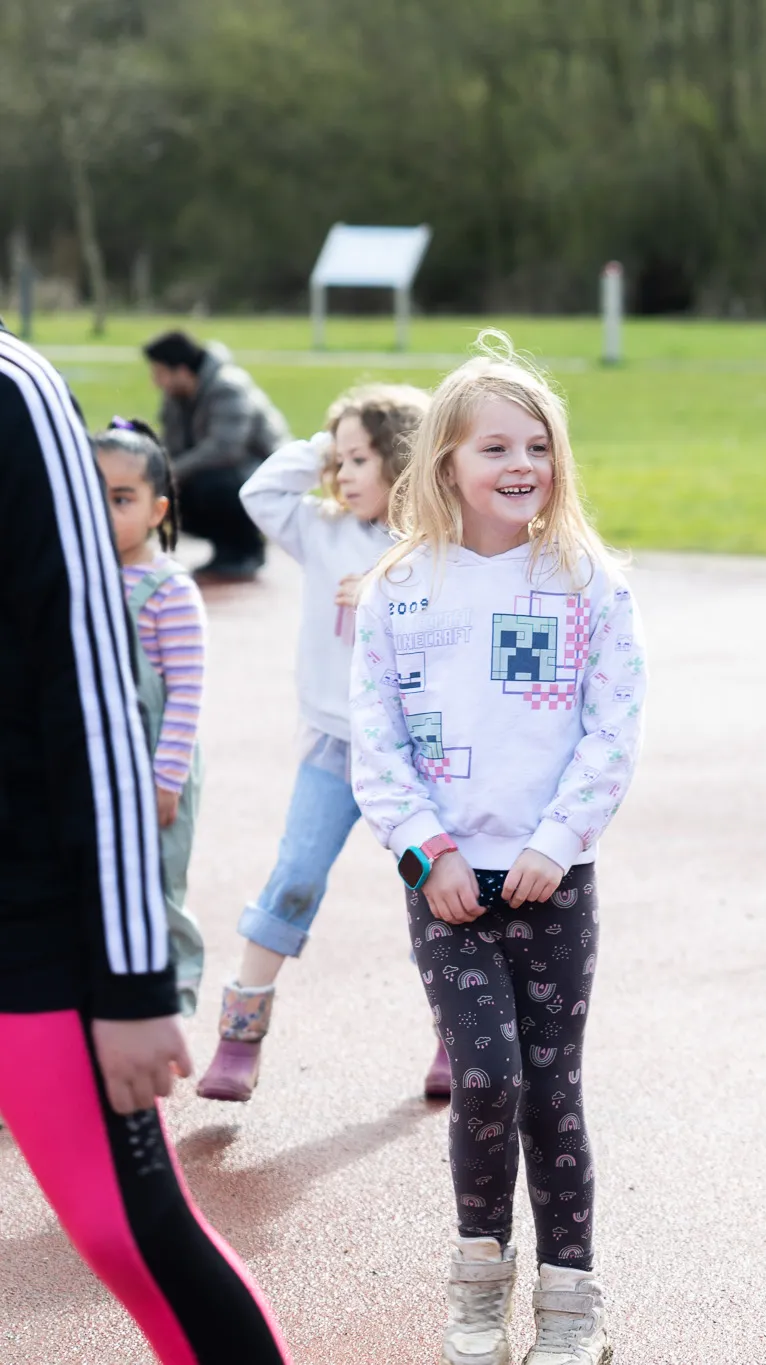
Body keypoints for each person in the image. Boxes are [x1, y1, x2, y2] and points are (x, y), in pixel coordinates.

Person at [351, 333, 645, 1365]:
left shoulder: (589, 584)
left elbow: (612, 735)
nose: (522, 466)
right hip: (446, 887)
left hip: (553, 885)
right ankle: (478, 1287)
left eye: (539, 446)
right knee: (484, 1078)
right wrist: (424, 853)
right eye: (494, 449)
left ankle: (570, 1307)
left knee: (550, 1091)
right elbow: (376, 746)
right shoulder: (399, 591)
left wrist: (557, 844)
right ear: (445, 464)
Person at [0, 322, 291, 1362]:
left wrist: (131, 986)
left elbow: (92, 706)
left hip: (29, 930)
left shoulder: (13, 394)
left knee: (128, 1234)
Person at [195, 384, 450, 1103]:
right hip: (335, 748)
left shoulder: (441, 547)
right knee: (295, 876)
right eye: (339, 461)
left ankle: (457, 1036)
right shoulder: (322, 527)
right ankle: (239, 1041)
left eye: (361, 459)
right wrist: (327, 441)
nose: (343, 475)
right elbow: (259, 491)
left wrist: (388, 591)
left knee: (439, 893)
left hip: (419, 757)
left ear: (404, 459)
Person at [92, 418, 208, 1018]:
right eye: (92, 493)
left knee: (159, 889)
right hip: (91, 765)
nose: (105, 510)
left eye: (122, 499)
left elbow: (187, 691)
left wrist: (166, 778)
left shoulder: (167, 589)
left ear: (157, 508)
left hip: (155, 766)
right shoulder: (75, 578)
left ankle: (174, 1001)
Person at [143, 329, 290, 583]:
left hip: (262, 476)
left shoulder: (228, 386)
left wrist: (172, 472)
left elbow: (225, 450)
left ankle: (247, 550)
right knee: (167, 496)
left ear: (181, 370)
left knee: (210, 484)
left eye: (160, 373)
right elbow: (171, 445)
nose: (156, 382)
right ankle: (227, 551)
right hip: (228, 474)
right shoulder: (176, 397)